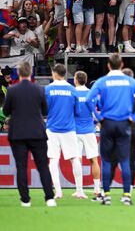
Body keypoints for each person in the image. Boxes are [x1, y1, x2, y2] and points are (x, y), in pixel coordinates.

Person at [85, 54, 135, 206]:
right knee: (125, 160)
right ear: (121, 64)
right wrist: (134, 117)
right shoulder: (129, 81)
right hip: (124, 124)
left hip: (107, 123)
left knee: (107, 161)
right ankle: (127, 195)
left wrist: (98, 117)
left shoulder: (102, 81)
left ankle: (106, 195)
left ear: (108, 65)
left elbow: (88, 100)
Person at [3, 62, 56, 207]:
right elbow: (45, 111)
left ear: (19, 73)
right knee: (43, 166)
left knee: (21, 167)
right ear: (30, 73)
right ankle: (49, 198)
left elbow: (6, 111)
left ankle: (25, 200)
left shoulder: (12, 90)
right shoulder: (39, 89)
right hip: (37, 132)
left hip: (18, 133)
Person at [44, 64, 84, 200]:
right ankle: (79, 191)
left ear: (54, 73)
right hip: (69, 129)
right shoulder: (73, 90)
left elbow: (44, 110)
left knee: (54, 159)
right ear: (65, 74)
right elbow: (78, 111)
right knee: (74, 158)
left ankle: (58, 191)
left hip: (52, 129)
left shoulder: (48, 89)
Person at [73, 71, 101, 200]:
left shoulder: (72, 93)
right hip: (90, 130)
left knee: (77, 160)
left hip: (75, 131)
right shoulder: (92, 93)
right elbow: (96, 112)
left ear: (76, 80)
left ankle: (79, 190)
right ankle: (96, 189)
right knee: (93, 160)